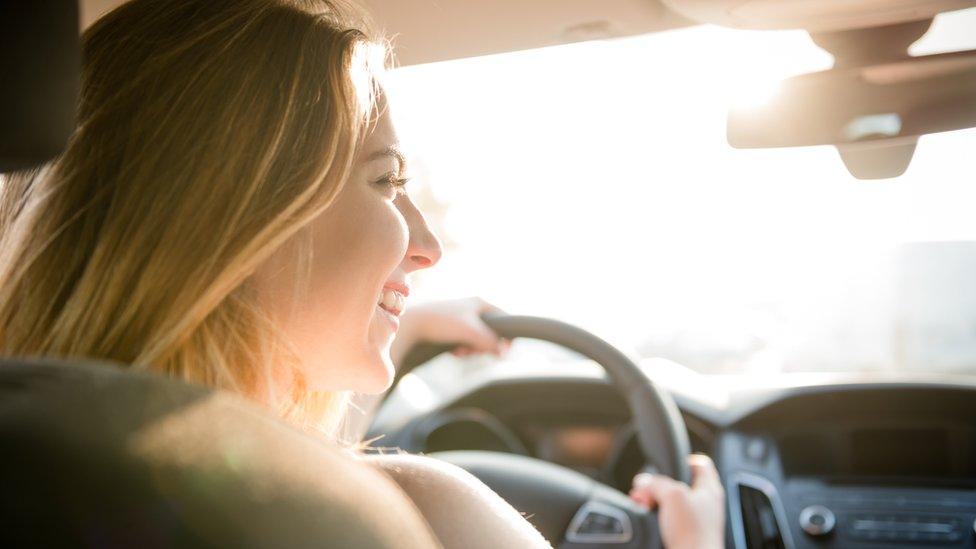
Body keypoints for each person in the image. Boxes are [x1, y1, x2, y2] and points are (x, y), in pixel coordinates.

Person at [0, 0, 724, 547]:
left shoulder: (39, 461)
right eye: (385, 182)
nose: (428, 244)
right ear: (242, 217)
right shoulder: (419, 512)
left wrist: (402, 329)